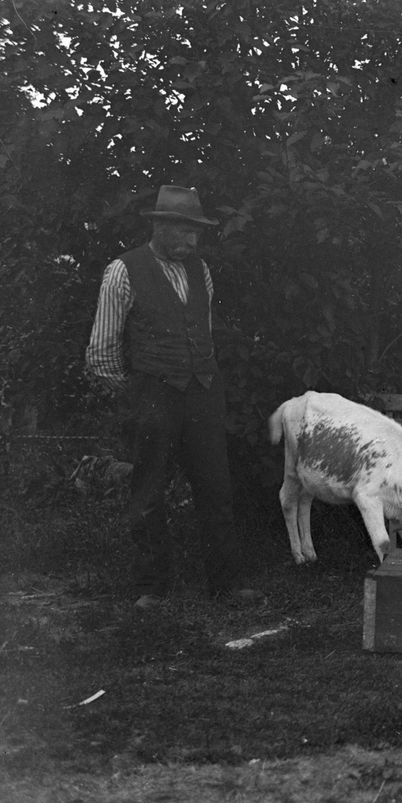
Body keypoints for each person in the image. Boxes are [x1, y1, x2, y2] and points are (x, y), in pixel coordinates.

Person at [86, 184, 259, 610]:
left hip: (202, 392)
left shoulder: (200, 271)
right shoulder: (123, 271)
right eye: (184, 233)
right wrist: (138, 392)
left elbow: (203, 331)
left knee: (216, 488)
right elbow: (101, 351)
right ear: (161, 227)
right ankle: (152, 587)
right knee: (148, 492)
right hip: (152, 394)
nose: (192, 241)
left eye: (196, 234)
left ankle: (226, 584)